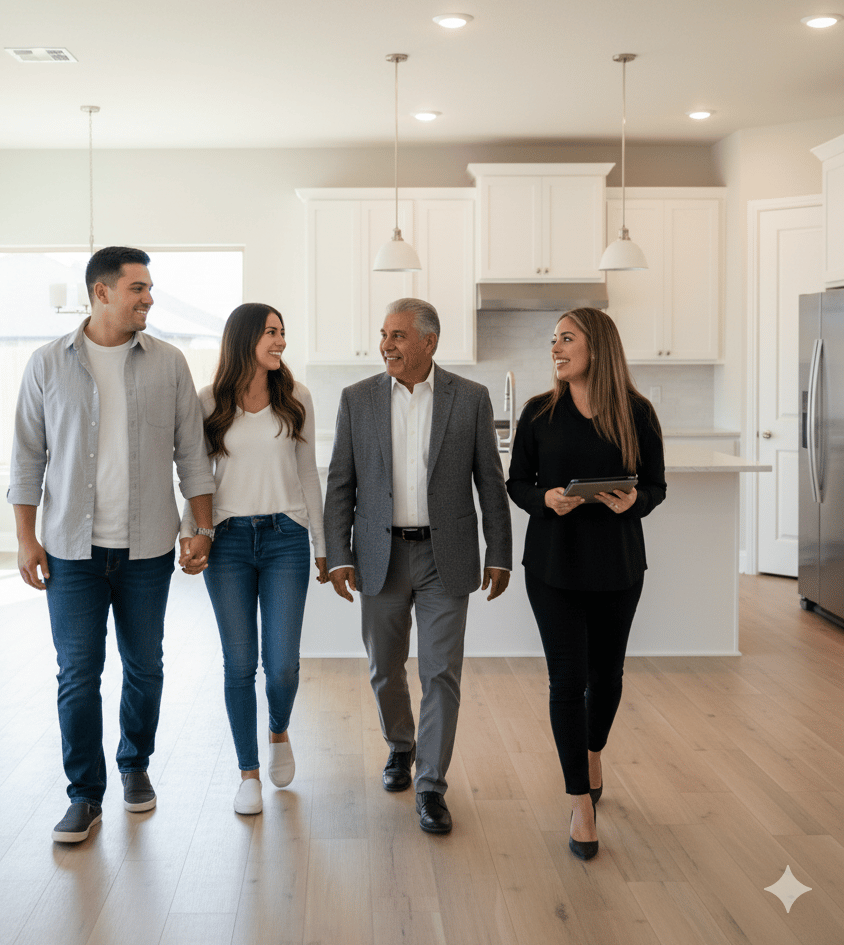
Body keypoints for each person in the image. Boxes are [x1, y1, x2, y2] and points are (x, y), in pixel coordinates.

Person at [8, 246, 216, 844]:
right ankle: (84, 794)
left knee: (144, 667)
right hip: (70, 551)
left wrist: (201, 529)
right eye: (137, 288)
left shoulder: (169, 363)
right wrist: (26, 540)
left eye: (149, 288)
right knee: (78, 674)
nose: (149, 298)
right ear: (101, 292)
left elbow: (192, 455)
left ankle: (135, 763)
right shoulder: (47, 364)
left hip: (147, 549)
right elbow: (26, 459)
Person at [324, 298, 512, 835]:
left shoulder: (470, 398)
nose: (386, 344)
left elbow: (490, 482)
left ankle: (431, 784)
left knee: (440, 672)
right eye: (384, 334)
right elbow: (341, 482)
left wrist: (499, 553)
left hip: (444, 557)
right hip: (378, 554)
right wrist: (339, 554)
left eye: (399, 335)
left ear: (429, 342)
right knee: (385, 668)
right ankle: (401, 745)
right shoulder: (356, 399)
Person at [506, 307, 666, 860]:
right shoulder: (538, 412)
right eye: (553, 339)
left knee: (608, 676)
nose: (555, 348)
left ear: (596, 346)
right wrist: (546, 499)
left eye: (566, 338)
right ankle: (580, 801)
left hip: (618, 565)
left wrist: (634, 501)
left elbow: (656, 486)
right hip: (553, 566)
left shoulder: (637, 413)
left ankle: (593, 751)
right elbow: (517, 483)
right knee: (566, 681)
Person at [180, 303, 328, 816]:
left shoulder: (296, 397)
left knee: (282, 665)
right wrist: (190, 534)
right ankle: (248, 773)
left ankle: (278, 731)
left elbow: (309, 475)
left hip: (287, 537)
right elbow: (196, 477)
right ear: (244, 338)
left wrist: (323, 546)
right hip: (228, 543)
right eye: (270, 332)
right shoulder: (207, 401)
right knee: (240, 663)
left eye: (282, 332)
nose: (280, 340)